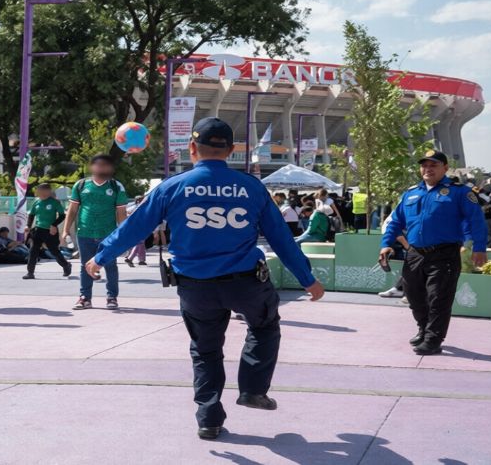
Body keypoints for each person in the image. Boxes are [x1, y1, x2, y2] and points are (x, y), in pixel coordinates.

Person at [85, 117, 324, 441]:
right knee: (264, 327)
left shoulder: (172, 186)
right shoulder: (251, 186)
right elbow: (280, 237)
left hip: (196, 287)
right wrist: (307, 279)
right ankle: (253, 389)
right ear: (231, 150)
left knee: (206, 350)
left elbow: (135, 227)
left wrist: (101, 256)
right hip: (247, 282)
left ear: (193, 148)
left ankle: (209, 419)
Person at [380, 150, 487, 356]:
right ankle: (423, 328)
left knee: (438, 297)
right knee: (413, 295)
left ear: (445, 168)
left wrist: (480, 248)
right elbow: (395, 221)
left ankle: (433, 339)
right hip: (415, 253)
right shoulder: (411, 193)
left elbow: (476, 220)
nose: (428, 169)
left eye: (434, 165)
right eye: (424, 165)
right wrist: (386, 243)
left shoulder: (460, 192)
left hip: (444, 253)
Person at [62, 154, 128, 310]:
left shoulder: (116, 187)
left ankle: (112, 297)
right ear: (92, 167)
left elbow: (121, 214)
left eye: (105, 166)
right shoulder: (81, 185)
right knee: (85, 265)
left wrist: (124, 236)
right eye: (98, 165)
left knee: (110, 265)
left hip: (108, 234)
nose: (101, 168)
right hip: (84, 232)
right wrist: (65, 230)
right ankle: (85, 298)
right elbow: (72, 210)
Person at [23, 183, 71, 279]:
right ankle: (30, 272)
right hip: (38, 230)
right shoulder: (36, 202)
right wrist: (28, 225)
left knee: (54, 251)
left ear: (49, 192)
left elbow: (62, 215)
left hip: (50, 231)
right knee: (33, 251)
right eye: (41, 192)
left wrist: (54, 225)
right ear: (38, 192)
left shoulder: (55, 202)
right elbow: (31, 215)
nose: (43, 194)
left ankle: (66, 265)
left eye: (45, 192)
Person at [124, 195, 148, 266]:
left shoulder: (131, 207)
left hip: (132, 227)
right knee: (139, 243)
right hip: (140, 227)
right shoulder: (142, 207)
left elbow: (125, 214)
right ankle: (130, 258)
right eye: (143, 200)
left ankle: (141, 260)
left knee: (141, 244)